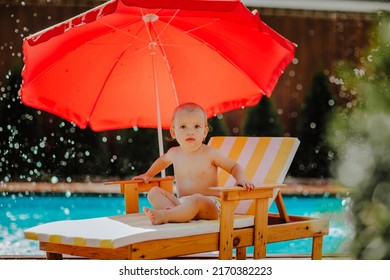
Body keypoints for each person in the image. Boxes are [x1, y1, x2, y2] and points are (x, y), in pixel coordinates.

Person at [133, 103, 254, 225]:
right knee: (153, 192)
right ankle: (172, 212)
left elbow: (234, 166)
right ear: (173, 132)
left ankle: (167, 215)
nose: (190, 132)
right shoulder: (174, 153)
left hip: (209, 204)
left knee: (196, 198)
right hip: (182, 203)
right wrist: (148, 174)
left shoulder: (210, 153)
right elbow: (162, 161)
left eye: (196, 126)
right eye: (183, 127)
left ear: (204, 132)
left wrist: (240, 178)